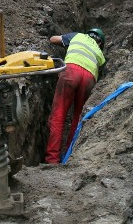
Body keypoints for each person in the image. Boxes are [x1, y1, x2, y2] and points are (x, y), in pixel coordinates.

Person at [45, 28, 107, 164]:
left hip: (71, 71)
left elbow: (53, 39)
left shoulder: (77, 36)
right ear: (100, 43)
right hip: (89, 78)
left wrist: (65, 42)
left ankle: (52, 159)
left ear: (88, 34)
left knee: (58, 116)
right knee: (78, 118)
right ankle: (69, 156)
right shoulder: (100, 54)